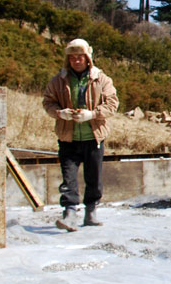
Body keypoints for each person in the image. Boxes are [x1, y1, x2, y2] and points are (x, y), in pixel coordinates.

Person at [42, 38, 119, 231]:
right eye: (72, 58)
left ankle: (91, 212)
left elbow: (112, 104)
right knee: (68, 178)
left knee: (93, 177)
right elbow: (48, 102)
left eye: (80, 57)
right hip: (68, 137)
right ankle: (69, 213)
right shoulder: (58, 80)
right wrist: (60, 113)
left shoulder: (101, 79)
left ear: (87, 58)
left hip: (94, 137)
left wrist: (92, 114)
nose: (76, 61)